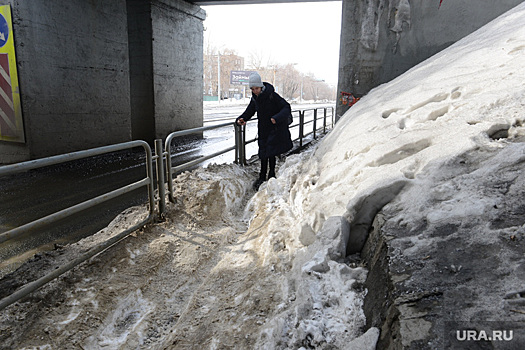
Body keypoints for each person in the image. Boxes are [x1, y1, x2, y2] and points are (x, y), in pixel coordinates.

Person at [236, 72, 293, 190]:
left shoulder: (272, 95)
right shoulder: (255, 98)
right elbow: (250, 110)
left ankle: (271, 173)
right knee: (263, 152)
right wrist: (242, 118)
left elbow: (286, 107)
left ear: (261, 86)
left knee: (271, 151)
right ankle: (262, 176)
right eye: (252, 89)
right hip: (262, 128)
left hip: (274, 128)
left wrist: (276, 118)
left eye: (256, 88)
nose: (254, 91)